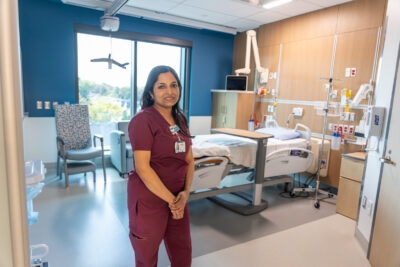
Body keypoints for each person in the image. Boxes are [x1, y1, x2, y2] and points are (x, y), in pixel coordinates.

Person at [127, 65, 194, 267]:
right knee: (146, 257)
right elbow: (143, 168)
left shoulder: (180, 119)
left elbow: (189, 160)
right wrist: (173, 201)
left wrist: (185, 193)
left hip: (179, 197)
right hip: (149, 199)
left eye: (174, 85)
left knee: (182, 252)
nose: (170, 92)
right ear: (151, 92)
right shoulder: (142, 121)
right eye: (162, 86)